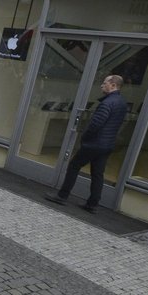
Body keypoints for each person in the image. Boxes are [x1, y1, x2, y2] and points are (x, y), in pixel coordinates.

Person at [45, 74, 127, 213]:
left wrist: (85, 138)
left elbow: (95, 124)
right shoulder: (121, 103)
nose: (102, 85)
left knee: (74, 166)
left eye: (105, 83)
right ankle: (93, 204)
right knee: (97, 174)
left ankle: (62, 196)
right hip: (107, 144)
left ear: (113, 85)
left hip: (95, 143)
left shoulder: (107, 103)